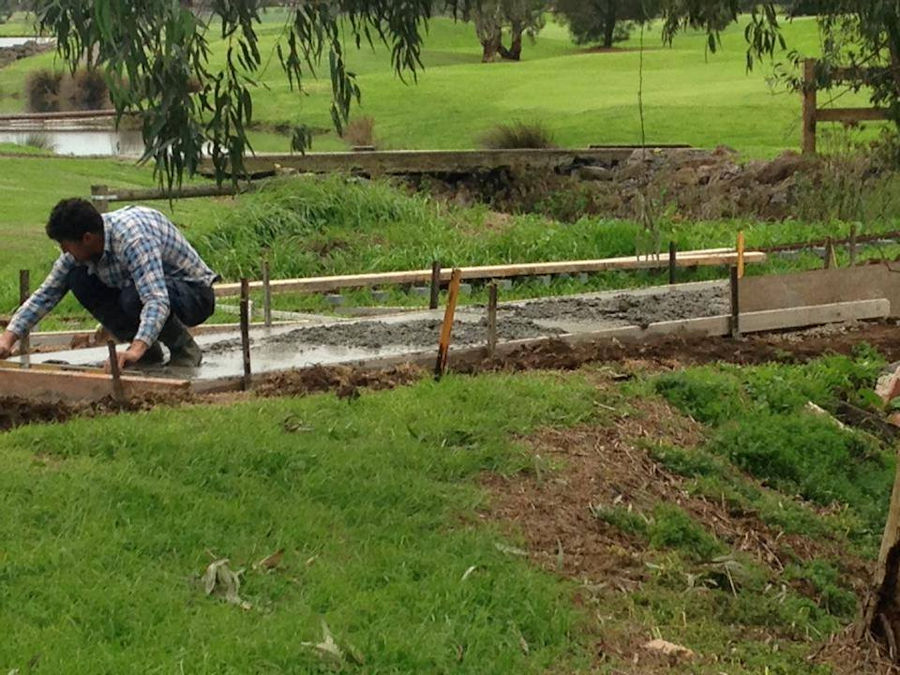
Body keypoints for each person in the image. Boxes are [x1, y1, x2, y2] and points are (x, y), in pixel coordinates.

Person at [0, 198, 218, 370]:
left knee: (134, 297)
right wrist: (8, 339)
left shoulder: (133, 239)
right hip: (144, 292)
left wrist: (134, 349)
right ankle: (149, 352)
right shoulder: (81, 248)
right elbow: (47, 293)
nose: (64, 252)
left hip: (193, 295)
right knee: (78, 279)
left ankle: (184, 350)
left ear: (87, 238)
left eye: (65, 245)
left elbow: (156, 299)